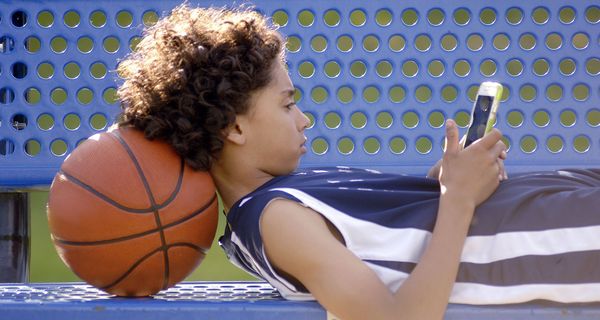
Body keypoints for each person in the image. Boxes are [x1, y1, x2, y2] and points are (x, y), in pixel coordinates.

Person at [116, 4, 600, 320]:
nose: (304, 119)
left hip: (549, 205)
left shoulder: (282, 197)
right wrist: (457, 200)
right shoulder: (273, 219)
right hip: (546, 238)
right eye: (287, 105)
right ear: (234, 128)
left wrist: (441, 184)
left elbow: (397, 231)